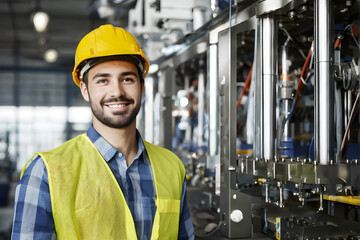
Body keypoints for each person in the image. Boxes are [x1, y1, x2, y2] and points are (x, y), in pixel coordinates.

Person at [12, 24, 194, 240]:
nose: (117, 91)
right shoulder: (46, 173)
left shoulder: (171, 167)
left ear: (142, 87)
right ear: (85, 90)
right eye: (103, 81)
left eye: (127, 79)